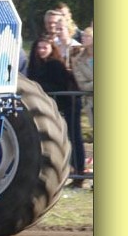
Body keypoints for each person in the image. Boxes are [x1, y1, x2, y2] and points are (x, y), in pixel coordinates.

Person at [27, 35, 86, 186]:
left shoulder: (55, 64)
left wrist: (39, 88)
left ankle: (79, 172)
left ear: (51, 48)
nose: (41, 50)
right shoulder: (35, 65)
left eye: (45, 47)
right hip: (52, 107)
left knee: (74, 137)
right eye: (39, 47)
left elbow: (60, 84)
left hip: (68, 104)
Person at [70, 25, 93, 139]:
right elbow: (82, 85)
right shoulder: (77, 61)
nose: (83, 38)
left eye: (87, 36)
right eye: (83, 36)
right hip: (91, 103)